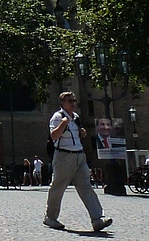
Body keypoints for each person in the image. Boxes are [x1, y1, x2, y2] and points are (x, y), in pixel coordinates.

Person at [44, 92, 112, 232]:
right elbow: (54, 136)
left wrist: (82, 132)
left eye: (74, 100)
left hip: (79, 155)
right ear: (62, 103)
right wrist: (63, 124)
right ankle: (50, 217)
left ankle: (97, 219)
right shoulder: (58, 117)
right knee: (58, 187)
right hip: (64, 156)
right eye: (70, 101)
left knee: (86, 187)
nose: (73, 103)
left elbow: (77, 134)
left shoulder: (76, 117)